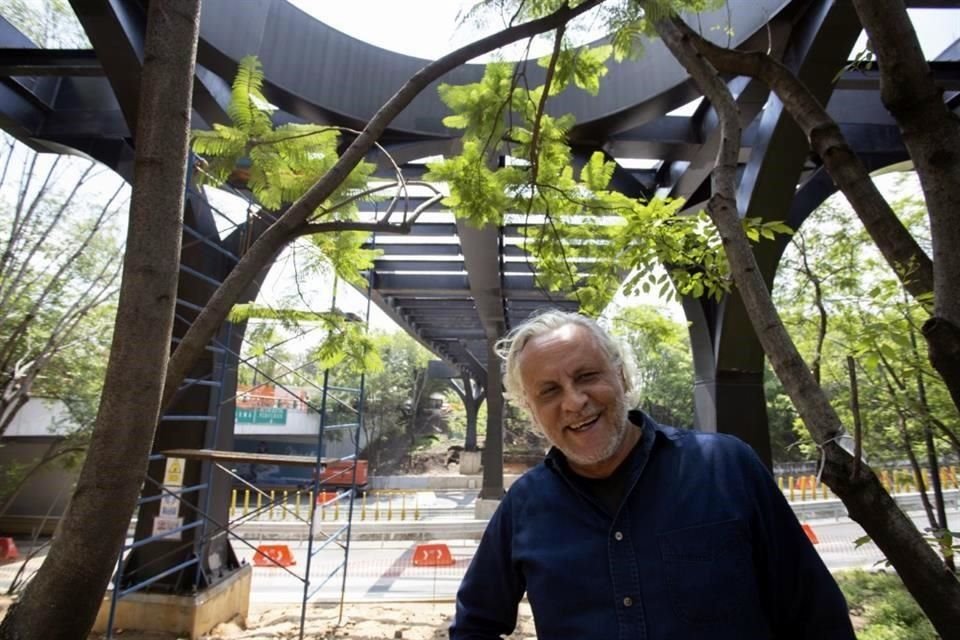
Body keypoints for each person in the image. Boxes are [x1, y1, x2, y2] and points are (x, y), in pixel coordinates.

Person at [449, 310, 855, 639]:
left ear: (621, 376)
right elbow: (474, 626)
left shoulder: (727, 467)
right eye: (549, 391)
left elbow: (815, 614)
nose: (574, 402)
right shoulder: (525, 506)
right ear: (532, 411)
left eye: (587, 376)